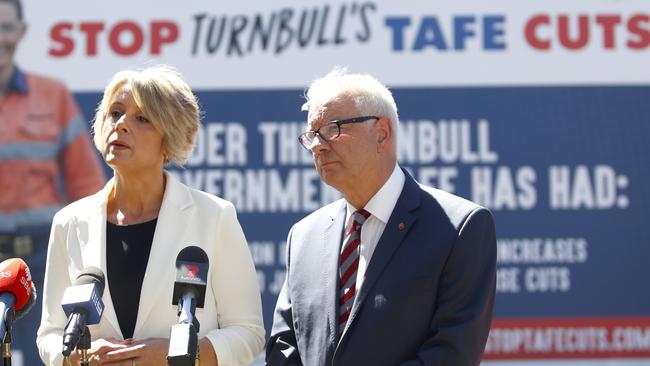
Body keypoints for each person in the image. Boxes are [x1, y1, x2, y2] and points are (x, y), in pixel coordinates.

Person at [36, 65, 265, 366]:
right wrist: (82, 356)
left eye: (141, 118)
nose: (120, 125)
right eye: (115, 113)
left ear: (169, 139)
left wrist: (181, 355)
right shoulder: (69, 222)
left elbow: (248, 333)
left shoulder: (214, 217)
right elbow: (50, 335)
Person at [266, 68, 497, 365]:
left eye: (334, 128)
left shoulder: (459, 227)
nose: (319, 145)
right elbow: (284, 347)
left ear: (382, 133)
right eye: (312, 135)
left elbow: (452, 354)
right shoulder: (305, 235)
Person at [0, 0, 105, 363]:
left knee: (55, 353)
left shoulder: (52, 96)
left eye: (6, 27)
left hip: (40, 263)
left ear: (22, 33)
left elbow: (87, 185)